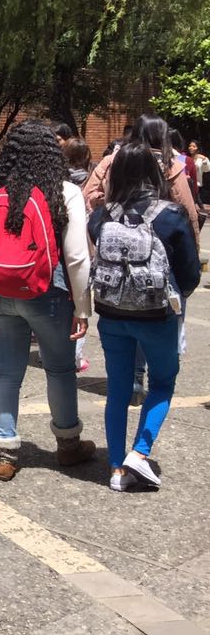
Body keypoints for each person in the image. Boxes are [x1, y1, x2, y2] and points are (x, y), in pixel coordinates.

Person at [0, 121, 95, 481]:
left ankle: (5, 452)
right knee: (59, 370)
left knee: (5, 372)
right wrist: (82, 307)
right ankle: (68, 444)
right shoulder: (65, 191)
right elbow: (76, 257)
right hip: (48, 293)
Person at [88, 143, 199, 490]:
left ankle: (115, 467)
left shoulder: (102, 215)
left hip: (110, 314)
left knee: (118, 390)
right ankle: (139, 452)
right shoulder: (171, 215)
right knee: (163, 383)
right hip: (157, 315)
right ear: (155, 173)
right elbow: (190, 274)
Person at [82, 115, 200, 403]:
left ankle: (132, 379)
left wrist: (106, 212)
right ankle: (155, 377)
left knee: (123, 307)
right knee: (160, 312)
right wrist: (192, 254)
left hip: (115, 251)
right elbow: (189, 210)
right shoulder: (172, 164)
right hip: (164, 252)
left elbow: (88, 195)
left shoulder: (112, 159)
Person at [63, 136, 94, 371]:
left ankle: (48, 351)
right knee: (76, 305)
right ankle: (74, 357)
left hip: (53, 251)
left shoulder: (54, 178)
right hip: (81, 242)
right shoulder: (86, 182)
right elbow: (77, 257)